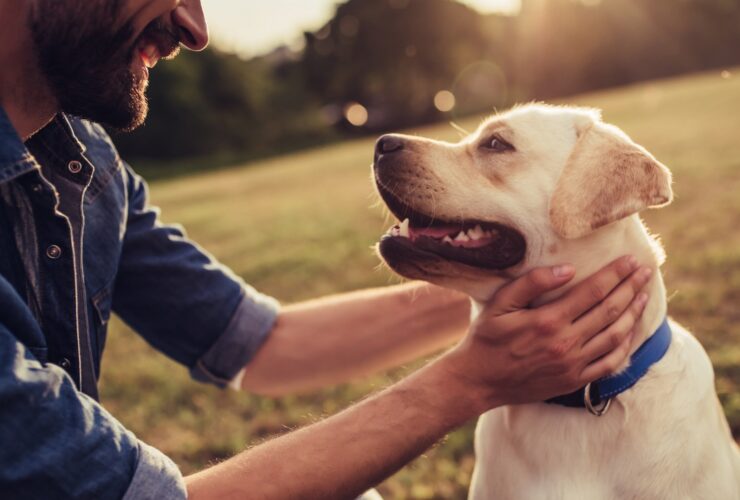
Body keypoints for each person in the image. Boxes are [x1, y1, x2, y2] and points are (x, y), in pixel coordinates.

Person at [0, 1, 652, 498]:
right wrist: (470, 380)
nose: (194, 26)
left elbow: (262, 343)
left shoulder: (85, 165)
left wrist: (535, 286)